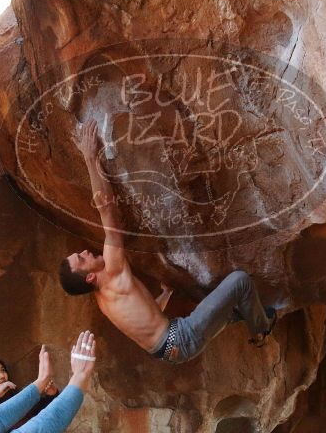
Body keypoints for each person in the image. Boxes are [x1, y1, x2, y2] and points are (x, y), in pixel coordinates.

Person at [58, 119, 276, 364]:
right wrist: (90, 157)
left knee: (232, 303)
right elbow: (106, 209)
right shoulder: (113, 271)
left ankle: (244, 315)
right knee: (240, 281)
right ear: (89, 277)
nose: (85, 252)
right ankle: (262, 329)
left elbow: (146, 316)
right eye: (81, 258)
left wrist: (165, 295)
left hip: (169, 349)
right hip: (182, 338)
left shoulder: (104, 300)